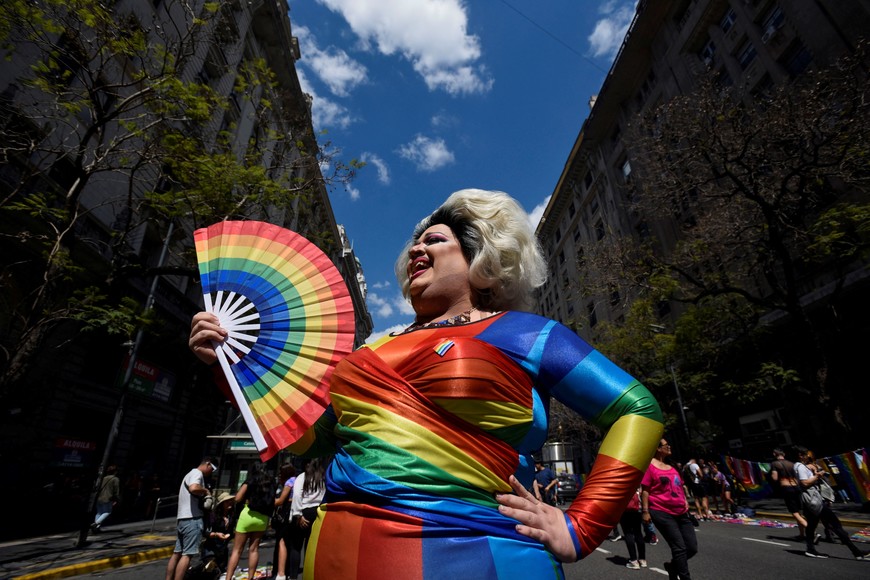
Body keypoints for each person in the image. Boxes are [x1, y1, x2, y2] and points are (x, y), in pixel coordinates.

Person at [189, 188, 664, 578]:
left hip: (480, 557)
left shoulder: (525, 333)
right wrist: (228, 368)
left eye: (434, 240)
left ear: (480, 254)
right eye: (415, 243)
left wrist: (583, 525)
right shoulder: (370, 348)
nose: (416, 248)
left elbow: (636, 409)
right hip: (333, 557)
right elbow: (317, 441)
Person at [795, 446, 869, 560]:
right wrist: (818, 475)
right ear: (801, 455)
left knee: (811, 526)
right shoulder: (800, 466)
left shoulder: (801, 466)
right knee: (835, 524)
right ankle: (857, 552)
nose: (807, 458)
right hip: (813, 501)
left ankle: (810, 549)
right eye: (806, 455)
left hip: (810, 501)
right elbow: (804, 483)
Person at [641, 439, 697, 580]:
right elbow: (645, 491)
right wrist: (645, 511)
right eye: (666, 445)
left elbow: (680, 486)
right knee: (679, 547)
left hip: (682, 512)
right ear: (658, 449)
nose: (669, 446)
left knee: (691, 548)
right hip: (661, 512)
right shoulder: (649, 467)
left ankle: (673, 566)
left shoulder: (672, 466)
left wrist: (685, 501)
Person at [165, 458, 218, 580]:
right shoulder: (197, 473)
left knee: (177, 553)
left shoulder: (189, 474)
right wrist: (206, 491)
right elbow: (193, 488)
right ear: (208, 464)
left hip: (182, 519)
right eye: (212, 468)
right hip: (192, 519)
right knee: (187, 555)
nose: (212, 472)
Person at [279, 458, 327, 580]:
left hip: (304, 511)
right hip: (317, 512)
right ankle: (309, 575)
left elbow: (297, 495)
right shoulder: (322, 478)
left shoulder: (302, 477)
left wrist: (298, 514)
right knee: (310, 546)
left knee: (296, 546)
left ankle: (293, 576)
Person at [225, 462, 274, 580]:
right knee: (254, 549)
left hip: (247, 515)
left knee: (237, 550)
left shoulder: (250, 480)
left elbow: (238, 498)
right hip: (262, 518)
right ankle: (251, 577)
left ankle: (228, 577)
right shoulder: (271, 482)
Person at [770, 448, 808, 539]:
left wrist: (770, 474)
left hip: (787, 488)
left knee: (794, 512)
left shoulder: (775, 464)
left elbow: (775, 478)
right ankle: (802, 534)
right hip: (796, 487)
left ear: (775, 454)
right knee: (799, 512)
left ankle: (811, 531)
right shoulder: (792, 463)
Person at [272, 463, 297, 580]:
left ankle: (281, 573)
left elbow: (281, 500)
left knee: (282, 540)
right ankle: (291, 572)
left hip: (287, 510)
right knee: (292, 542)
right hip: (296, 510)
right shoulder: (297, 480)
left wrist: (264, 502)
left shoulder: (289, 483)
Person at [621, 486, 647, 569]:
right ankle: (642, 559)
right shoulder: (637, 476)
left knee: (628, 534)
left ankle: (634, 560)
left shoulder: (621, 478)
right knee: (638, 533)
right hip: (637, 508)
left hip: (625, 509)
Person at [92, 464, 120, 532]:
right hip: (108, 498)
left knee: (99, 512)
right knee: (107, 512)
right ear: (115, 471)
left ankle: (96, 528)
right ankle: (95, 524)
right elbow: (116, 490)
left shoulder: (103, 478)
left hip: (99, 497)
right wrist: (116, 499)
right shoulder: (115, 479)